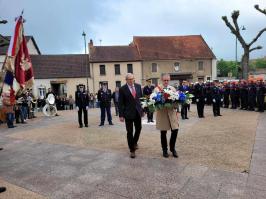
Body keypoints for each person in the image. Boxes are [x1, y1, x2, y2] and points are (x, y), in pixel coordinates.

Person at [119, 73, 143, 158]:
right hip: (128, 114)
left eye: (133, 78)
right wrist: (121, 115)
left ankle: (134, 142)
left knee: (139, 128)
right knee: (129, 132)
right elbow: (120, 103)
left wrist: (143, 110)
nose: (132, 80)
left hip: (137, 112)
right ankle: (132, 150)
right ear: (126, 80)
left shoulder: (138, 86)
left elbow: (141, 99)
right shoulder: (122, 89)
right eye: (129, 79)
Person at [155, 73, 179, 158]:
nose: (166, 82)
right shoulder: (157, 89)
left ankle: (172, 149)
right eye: (164, 80)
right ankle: (164, 150)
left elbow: (176, 101)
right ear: (162, 80)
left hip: (171, 113)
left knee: (175, 130)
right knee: (163, 132)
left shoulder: (172, 88)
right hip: (162, 114)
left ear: (169, 80)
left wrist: (177, 103)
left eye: (167, 80)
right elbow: (154, 102)